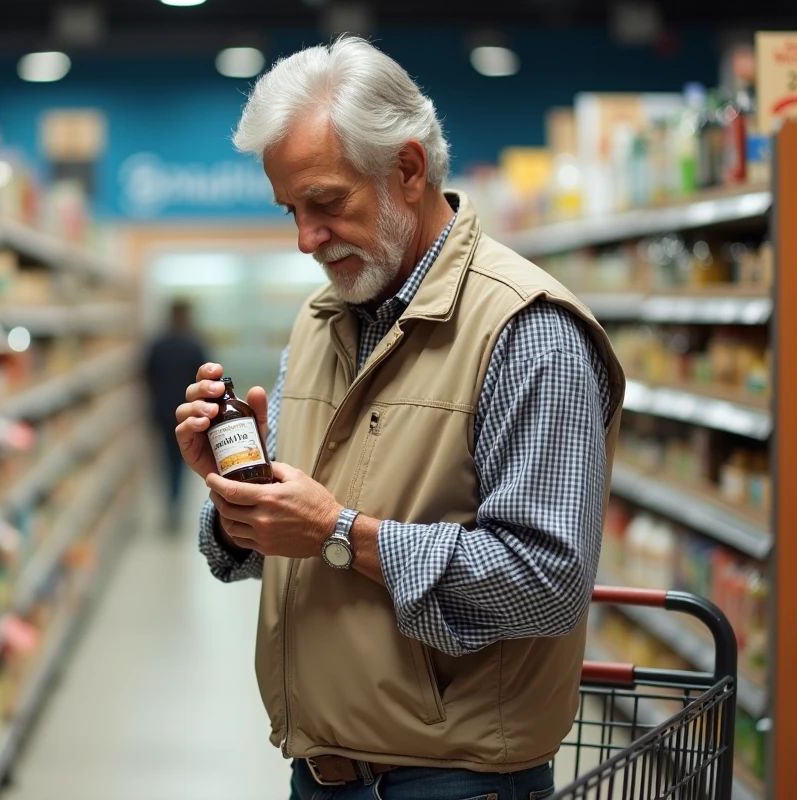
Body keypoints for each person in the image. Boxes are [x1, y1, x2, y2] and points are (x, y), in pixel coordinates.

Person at [174, 36, 625, 799]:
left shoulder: (526, 330)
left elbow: (547, 581)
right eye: (291, 210)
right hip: (321, 773)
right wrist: (237, 501)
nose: (304, 239)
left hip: (453, 783)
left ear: (408, 171)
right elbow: (288, 541)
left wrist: (341, 532)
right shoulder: (321, 324)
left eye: (326, 203)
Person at [145, 298, 208, 530]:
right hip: (188, 415)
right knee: (182, 462)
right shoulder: (194, 345)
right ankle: (176, 504)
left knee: (166, 461)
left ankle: (170, 504)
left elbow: (147, 376)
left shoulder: (157, 344)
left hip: (162, 412)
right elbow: (205, 378)